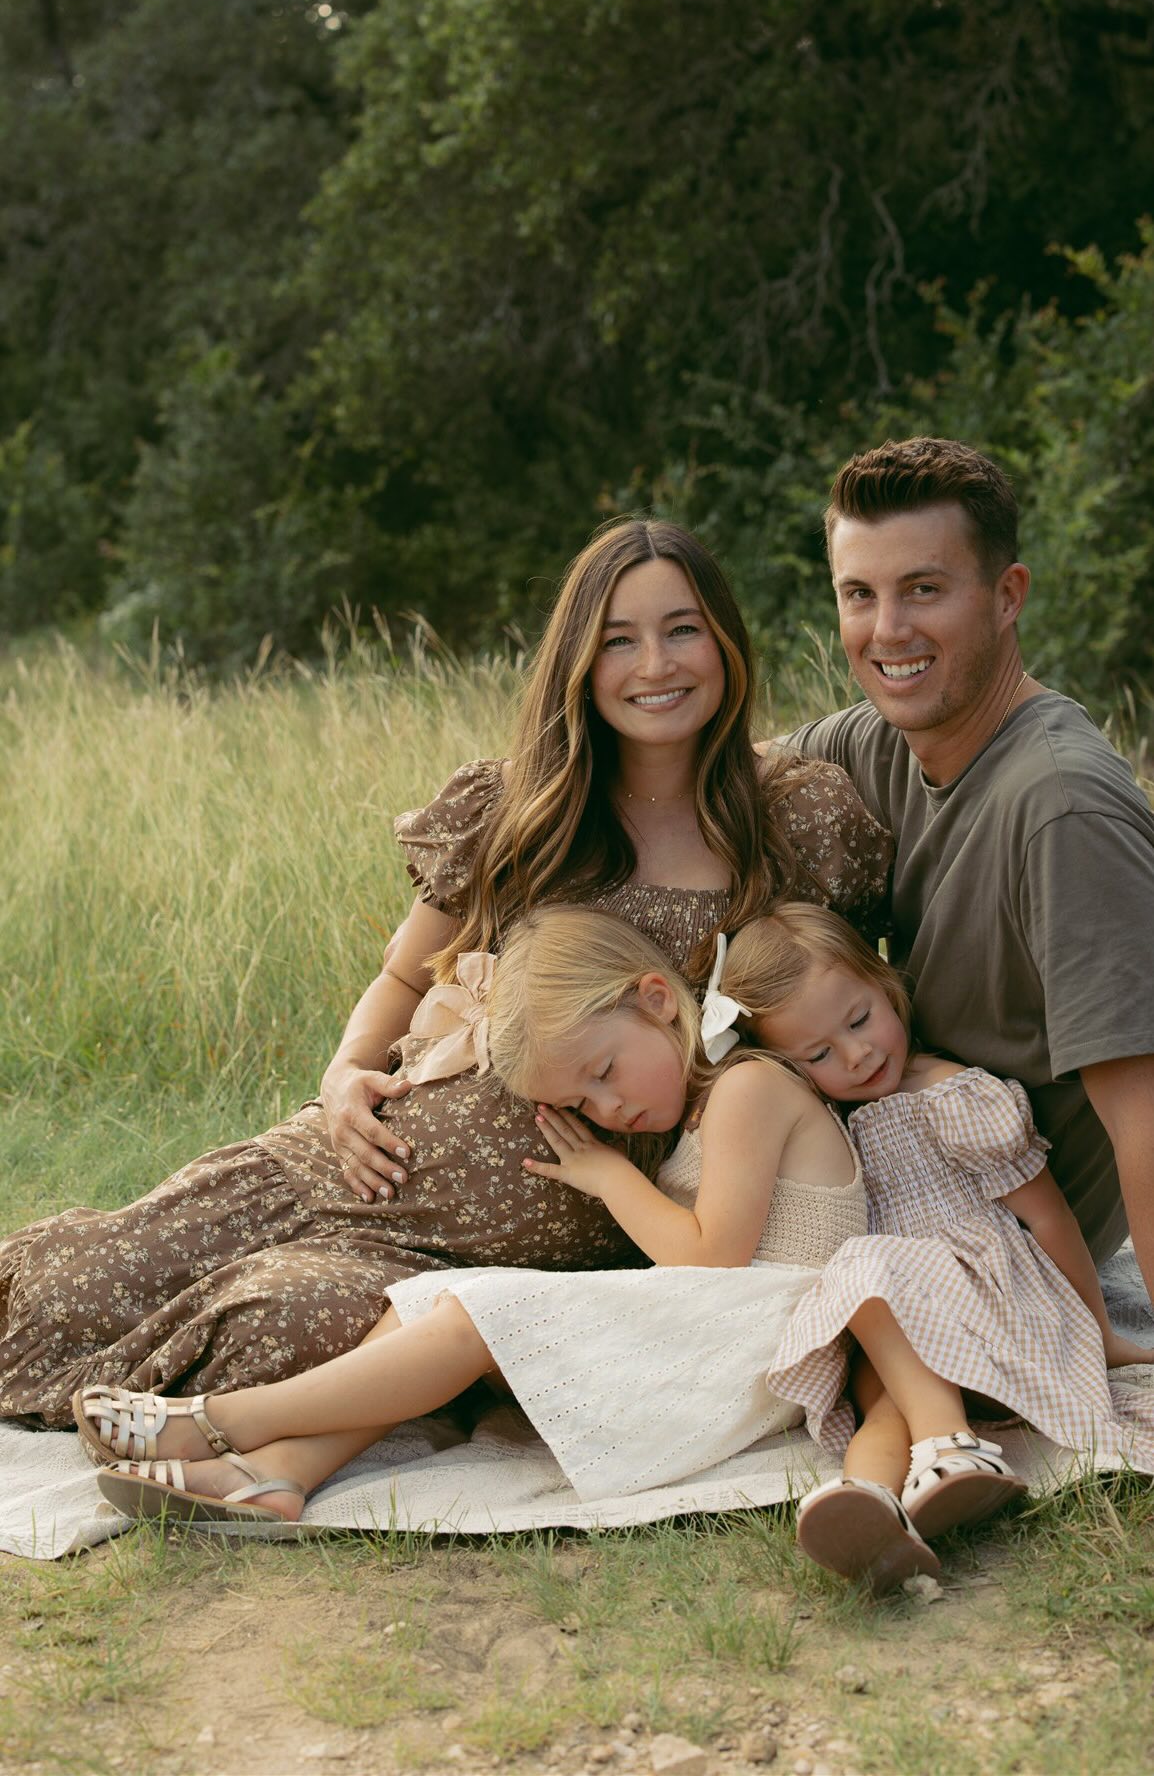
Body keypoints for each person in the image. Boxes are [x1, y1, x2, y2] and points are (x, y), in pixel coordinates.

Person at [0, 520, 891, 1427]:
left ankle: (204, 1424)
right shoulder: (521, 810)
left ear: (727, 642)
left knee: (276, 1327)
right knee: (79, 1286)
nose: (654, 664)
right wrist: (346, 1072)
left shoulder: (795, 824)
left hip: (493, 1266)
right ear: (578, 662)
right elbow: (401, 978)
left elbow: (851, 1007)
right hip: (354, 1163)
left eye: (682, 629)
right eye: (618, 639)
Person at [80, 909, 886, 1567]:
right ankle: (274, 1475)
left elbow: (714, 1258)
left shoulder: (748, 1087)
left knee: (483, 1315)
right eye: (585, 1101)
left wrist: (611, 1178)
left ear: (658, 1000)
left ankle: (225, 1419)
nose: (607, 1112)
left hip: (766, 1352)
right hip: (719, 1331)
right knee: (433, 1303)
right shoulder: (709, 1105)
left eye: (605, 1073)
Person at [786, 435, 1154, 1299]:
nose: (888, 631)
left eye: (924, 589)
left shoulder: (1064, 811)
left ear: (1006, 596)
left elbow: (1145, 1115)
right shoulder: (876, 741)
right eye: (859, 595)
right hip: (890, 1183)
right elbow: (700, 782)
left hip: (1001, 1246)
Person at [704, 907, 1154, 1589]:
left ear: (887, 987)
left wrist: (1100, 1332)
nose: (855, 1055)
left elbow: (1049, 1216)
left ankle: (952, 1446)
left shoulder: (953, 1094)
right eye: (819, 1054)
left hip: (987, 1298)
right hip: (901, 1332)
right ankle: (872, 1504)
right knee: (882, 1399)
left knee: (865, 1265)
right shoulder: (822, 1122)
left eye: (859, 1021)